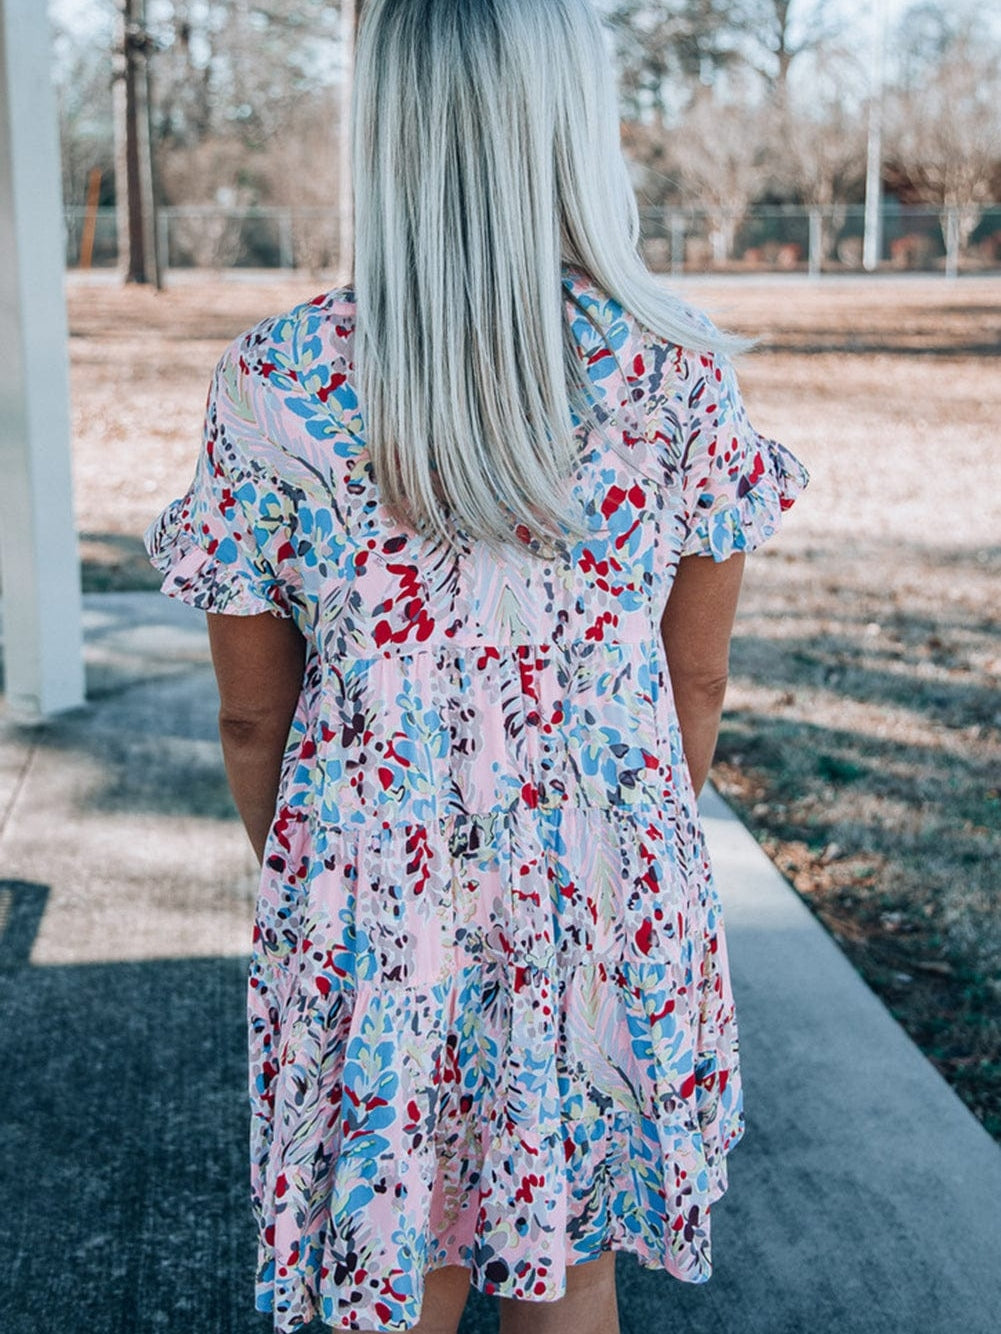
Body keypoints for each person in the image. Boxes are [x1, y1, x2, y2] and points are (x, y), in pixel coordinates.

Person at [145, 1, 809, 1330]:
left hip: (364, 894)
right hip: (601, 893)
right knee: (568, 1264)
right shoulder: (675, 371)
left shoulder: (276, 380)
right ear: (570, 116)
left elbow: (248, 713)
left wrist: (323, 877)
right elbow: (694, 688)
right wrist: (611, 848)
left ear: (380, 120)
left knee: (389, 1265)